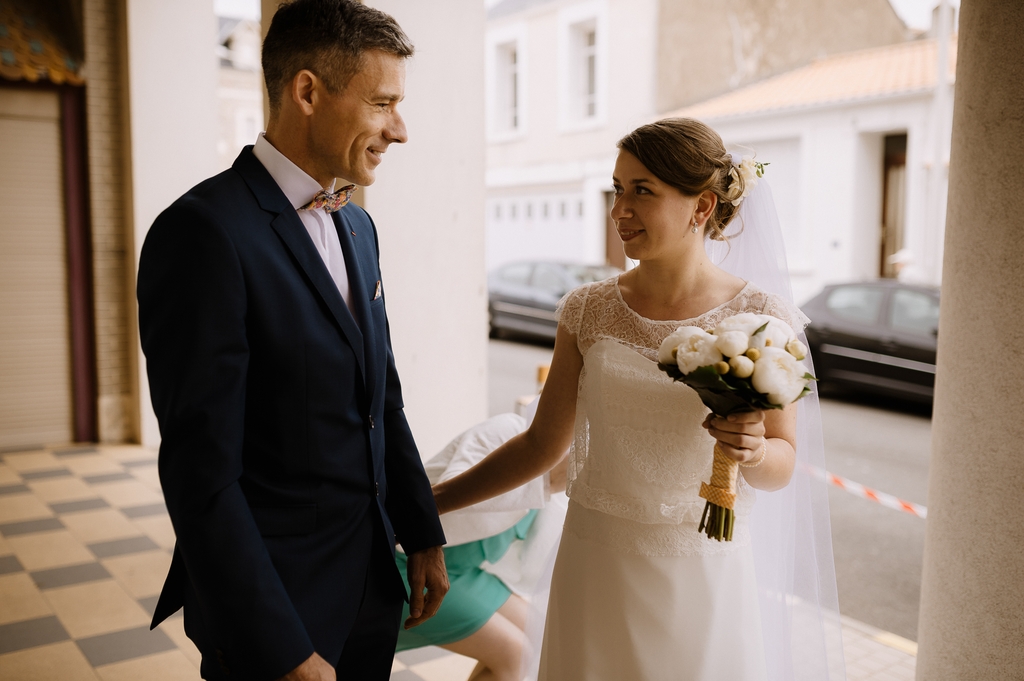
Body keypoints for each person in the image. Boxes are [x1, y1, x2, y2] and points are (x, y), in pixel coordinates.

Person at [433, 118, 844, 680]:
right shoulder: (587, 310)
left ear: (701, 208)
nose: (619, 210)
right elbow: (540, 445)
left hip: (701, 570)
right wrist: (429, 504)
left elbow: (781, 467)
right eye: (617, 190)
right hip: (597, 560)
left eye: (641, 191)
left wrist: (752, 451)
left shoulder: (764, 320)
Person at [136, 2, 448, 680]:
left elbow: (381, 398)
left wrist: (420, 529)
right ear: (308, 91)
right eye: (383, 103)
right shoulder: (201, 235)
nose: (400, 129)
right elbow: (200, 476)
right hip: (275, 606)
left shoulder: (358, 228)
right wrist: (278, 645)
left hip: (370, 584)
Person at [394, 412, 569, 681]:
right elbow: (455, 490)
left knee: (540, 636)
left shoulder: (554, 496)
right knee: (514, 653)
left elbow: (534, 567)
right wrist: (536, 472)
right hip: (411, 562)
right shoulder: (507, 431)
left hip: (464, 573)